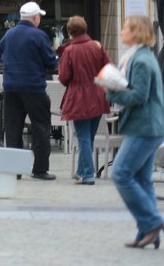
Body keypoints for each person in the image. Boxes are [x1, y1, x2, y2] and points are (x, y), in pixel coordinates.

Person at [104, 15, 164, 249]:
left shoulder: (139, 61)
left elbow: (139, 95)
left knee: (120, 173)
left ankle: (153, 222)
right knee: (142, 179)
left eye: (125, 28)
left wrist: (112, 93)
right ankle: (148, 233)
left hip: (144, 127)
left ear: (136, 32)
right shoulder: (141, 57)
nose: (121, 32)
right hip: (149, 126)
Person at [0, 1, 59, 180]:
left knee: (13, 128)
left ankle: (14, 170)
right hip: (33, 87)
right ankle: (39, 169)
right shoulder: (39, 35)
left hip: (11, 87)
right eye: (39, 16)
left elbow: (3, 51)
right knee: (40, 127)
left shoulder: (8, 34)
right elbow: (51, 62)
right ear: (35, 17)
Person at [58, 15, 111, 184]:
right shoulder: (97, 46)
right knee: (89, 137)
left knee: (83, 138)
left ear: (69, 31)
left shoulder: (69, 51)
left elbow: (64, 77)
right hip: (98, 96)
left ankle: (88, 174)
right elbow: (108, 69)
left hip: (79, 98)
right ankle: (82, 171)